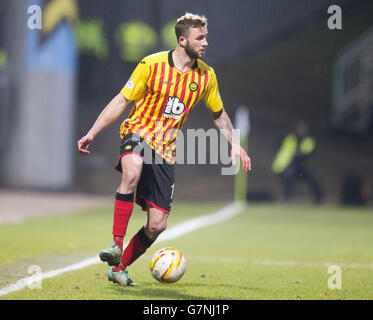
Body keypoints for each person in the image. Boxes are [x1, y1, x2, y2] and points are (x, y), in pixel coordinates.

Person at [77, 12, 251, 286]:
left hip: (165, 150)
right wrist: (92, 132)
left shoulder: (206, 77)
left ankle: (118, 267)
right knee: (131, 172)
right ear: (183, 40)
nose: (206, 43)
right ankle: (116, 244)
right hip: (138, 133)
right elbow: (122, 100)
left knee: (157, 225)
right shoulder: (151, 64)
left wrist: (235, 145)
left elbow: (218, 114)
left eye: (206, 37)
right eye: (200, 38)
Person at [272, 121, 323, 204]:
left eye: (303, 128)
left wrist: (298, 153)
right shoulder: (289, 138)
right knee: (288, 176)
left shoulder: (308, 140)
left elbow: (305, 153)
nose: (301, 130)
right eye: (299, 128)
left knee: (314, 178)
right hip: (287, 166)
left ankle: (319, 200)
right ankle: (288, 199)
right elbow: (278, 147)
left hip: (301, 167)